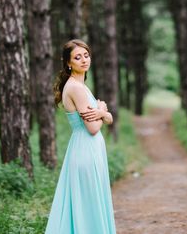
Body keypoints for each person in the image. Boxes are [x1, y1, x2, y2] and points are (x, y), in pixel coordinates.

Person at [45, 39, 116, 234]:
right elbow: (93, 128)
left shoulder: (80, 85)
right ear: (68, 63)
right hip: (86, 151)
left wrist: (103, 113)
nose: (84, 60)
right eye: (77, 57)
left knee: (87, 205)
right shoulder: (76, 88)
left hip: (87, 149)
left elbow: (108, 118)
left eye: (86, 55)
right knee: (89, 207)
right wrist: (102, 110)